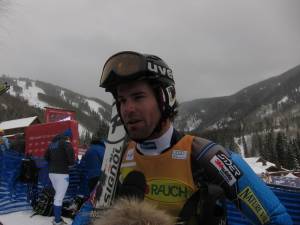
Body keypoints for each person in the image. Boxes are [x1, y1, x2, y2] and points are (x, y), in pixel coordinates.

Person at [99, 51, 293, 225]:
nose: (128, 109)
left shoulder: (207, 156)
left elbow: (276, 218)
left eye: (138, 97)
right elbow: (91, 212)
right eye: (122, 100)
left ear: (167, 97)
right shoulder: (121, 156)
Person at [44, 128, 75, 225]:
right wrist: (71, 163)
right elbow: (71, 154)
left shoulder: (53, 144)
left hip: (52, 173)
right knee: (59, 197)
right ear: (68, 136)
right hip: (62, 174)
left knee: (57, 195)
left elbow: (46, 156)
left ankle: (58, 217)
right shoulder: (66, 142)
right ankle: (57, 221)